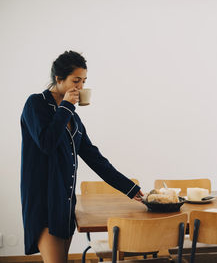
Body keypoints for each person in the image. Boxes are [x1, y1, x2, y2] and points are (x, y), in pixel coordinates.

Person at [20, 51, 143, 262]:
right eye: (76, 81)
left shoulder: (73, 119)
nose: (80, 87)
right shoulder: (36, 104)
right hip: (44, 201)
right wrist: (67, 105)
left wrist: (131, 189)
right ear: (59, 79)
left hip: (66, 203)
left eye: (84, 81)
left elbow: (95, 159)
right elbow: (46, 143)